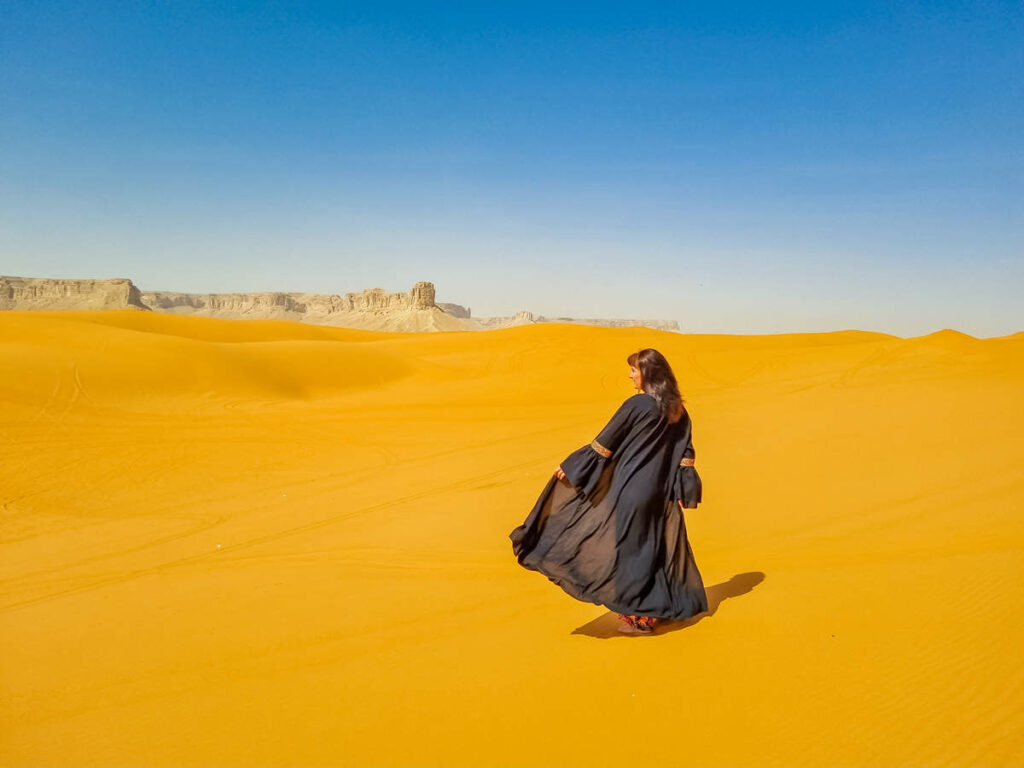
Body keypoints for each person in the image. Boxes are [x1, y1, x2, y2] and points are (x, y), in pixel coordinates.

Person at [509, 348, 707, 635]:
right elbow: (686, 455)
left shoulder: (638, 405)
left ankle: (640, 617)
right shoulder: (678, 410)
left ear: (648, 373)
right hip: (660, 494)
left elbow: (604, 443)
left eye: (634, 370)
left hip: (632, 489)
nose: (630, 375)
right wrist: (682, 487)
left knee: (630, 551)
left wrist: (572, 467)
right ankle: (656, 608)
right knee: (653, 548)